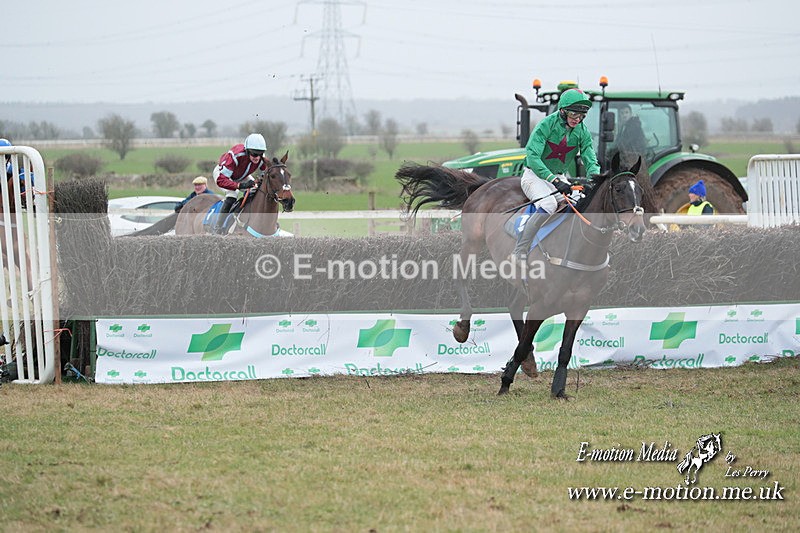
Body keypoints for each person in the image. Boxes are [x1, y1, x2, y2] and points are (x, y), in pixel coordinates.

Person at [510, 88, 601, 263]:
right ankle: (520, 250)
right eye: (574, 114)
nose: (577, 119)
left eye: (582, 115)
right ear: (563, 111)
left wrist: (594, 179)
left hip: (558, 176)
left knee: (578, 202)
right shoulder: (546, 125)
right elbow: (533, 157)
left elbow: (590, 157)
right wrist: (554, 180)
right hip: (534, 176)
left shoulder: (582, 131)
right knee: (549, 204)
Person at [212, 133, 267, 234]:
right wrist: (239, 185)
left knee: (256, 191)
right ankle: (218, 228)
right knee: (233, 194)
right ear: (247, 151)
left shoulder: (261, 158)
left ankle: (243, 216)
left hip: (241, 176)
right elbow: (221, 180)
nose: (257, 157)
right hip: (223, 176)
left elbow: (265, 172)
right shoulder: (235, 155)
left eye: (260, 154)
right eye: (254, 154)